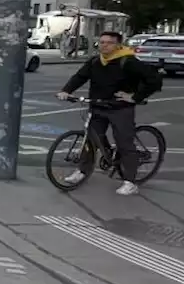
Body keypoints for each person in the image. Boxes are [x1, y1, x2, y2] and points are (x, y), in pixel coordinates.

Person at [57, 30, 162, 195]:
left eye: (109, 42)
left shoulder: (128, 61)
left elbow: (154, 80)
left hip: (120, 108)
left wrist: (135, 97)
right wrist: (66, 91)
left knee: (124, 143)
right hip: (98, 106)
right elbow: (80, 77)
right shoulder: (95, 62)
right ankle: (82, 171)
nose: (104, 45)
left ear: (118, 45)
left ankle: (130, 181)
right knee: (90, 140)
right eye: (102, 42)